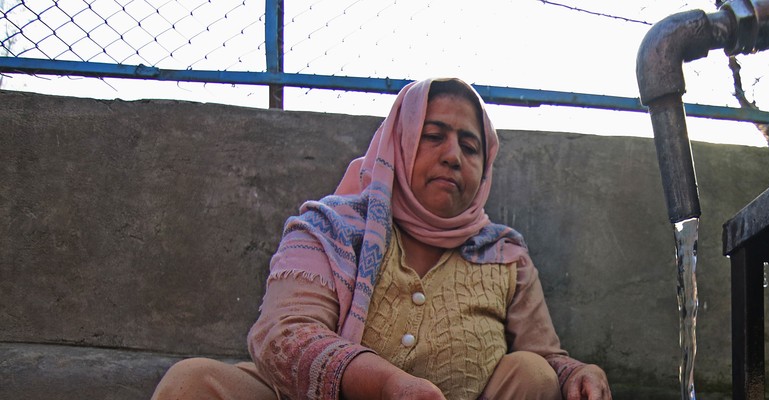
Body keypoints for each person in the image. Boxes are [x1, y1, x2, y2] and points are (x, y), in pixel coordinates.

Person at [152, 78, 611, 400]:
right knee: (192, 383)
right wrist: (387, 384)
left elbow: (547, 357)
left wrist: (577, 374)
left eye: (470, 147)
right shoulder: (329, 228)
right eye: (432, 137)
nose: (452, 156)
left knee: (531, 374)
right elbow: (284, 336)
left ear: (485, 167)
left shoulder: (506, 256)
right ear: (398, 144)